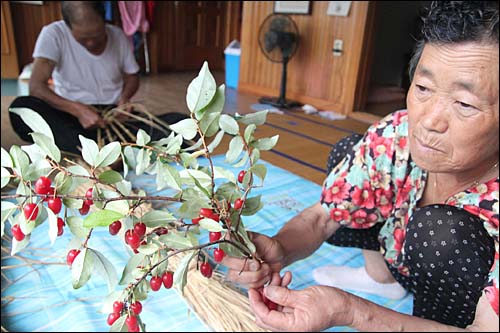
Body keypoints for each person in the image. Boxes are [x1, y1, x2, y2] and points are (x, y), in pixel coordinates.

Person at [221, 1, 499, 331]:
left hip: (466, 311)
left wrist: (351, 311)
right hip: (403, 260)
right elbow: (323, 216)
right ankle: (381, 278)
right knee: (349, 153)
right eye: (423, 88)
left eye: (464, 104)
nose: (429, 120)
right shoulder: (398, 133)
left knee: (440, 230)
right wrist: (280, 249)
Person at [8, 1, 188, 155]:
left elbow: (132, 77)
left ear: (104, 20)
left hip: (114, 117)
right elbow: (37, 87)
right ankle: (98, 152)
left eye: (97, 36)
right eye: (83, 39)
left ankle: (92, 151)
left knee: (181, 124)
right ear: (68, 25)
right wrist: (78, 110)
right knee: (21, 108)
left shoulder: (117, 35)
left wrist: (124, 99)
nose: (91, 43)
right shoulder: (53, 34)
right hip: (70, 117)